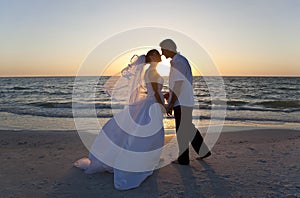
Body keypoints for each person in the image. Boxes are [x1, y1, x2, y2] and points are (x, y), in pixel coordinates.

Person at [74, 49, 165, 190]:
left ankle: (147, 159)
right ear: (152, 57)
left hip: (151, 103)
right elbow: (155, 92)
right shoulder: (151, 72)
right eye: (157, 54)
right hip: (153, 105)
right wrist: (163, 104)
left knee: (150, 134)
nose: (160, 56)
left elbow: (155, 91)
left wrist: (162, 97)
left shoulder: (150, 72)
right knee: (151, 134)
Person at [160, 39, 211, 165]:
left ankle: (184, 159)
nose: (162, 54)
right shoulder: (179, 61)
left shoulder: (178, 62)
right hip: (184, 100)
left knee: (182, 129)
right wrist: (170, 94)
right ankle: (203, 151)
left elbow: (179, 84)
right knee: (187, 127)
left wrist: (171, 102)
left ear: (169, 48)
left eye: (163, 50)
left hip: (182, 101)